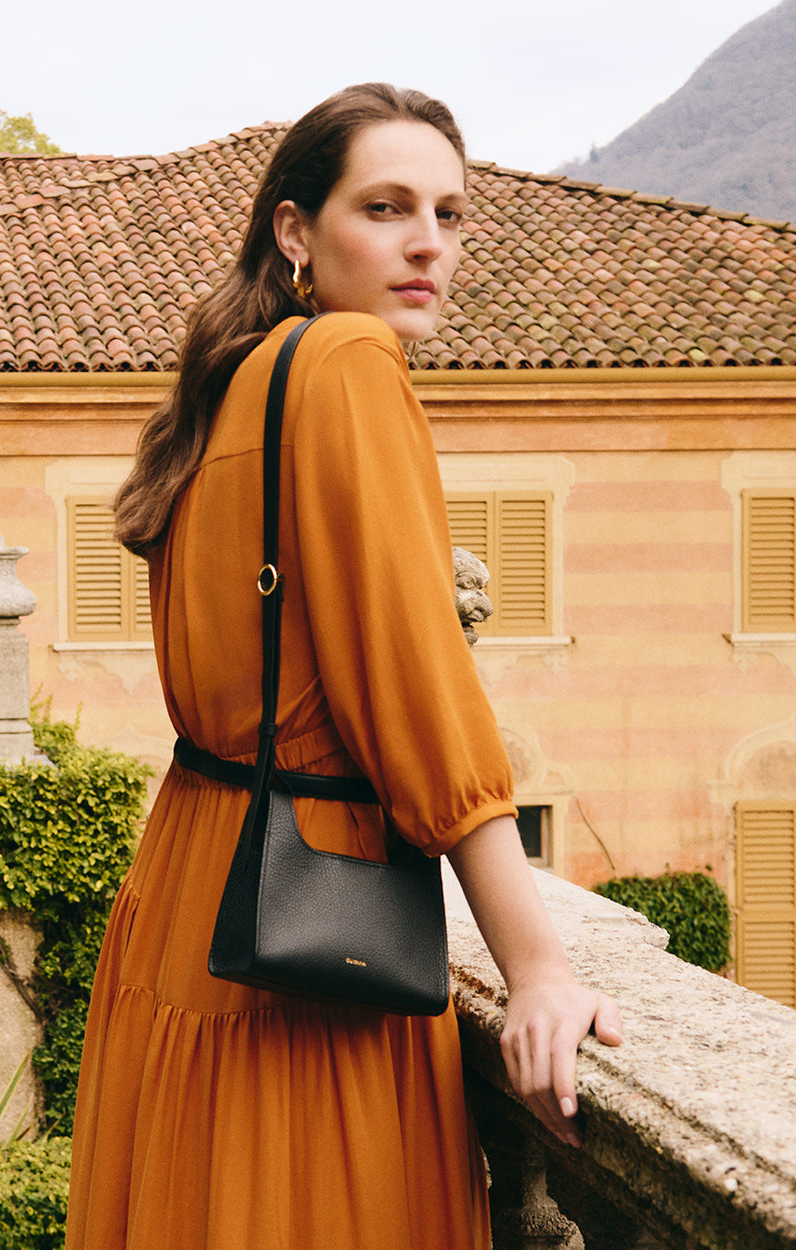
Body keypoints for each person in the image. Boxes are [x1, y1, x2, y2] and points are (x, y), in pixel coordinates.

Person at [65, 82, 622, 1250]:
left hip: (189, 905)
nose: (428, 242)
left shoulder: (229, 386)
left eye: (450, 213)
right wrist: (536, 967)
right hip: (314, 939)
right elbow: (419, 689)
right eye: (385, 206)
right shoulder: (349, 361)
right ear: (293, 230)